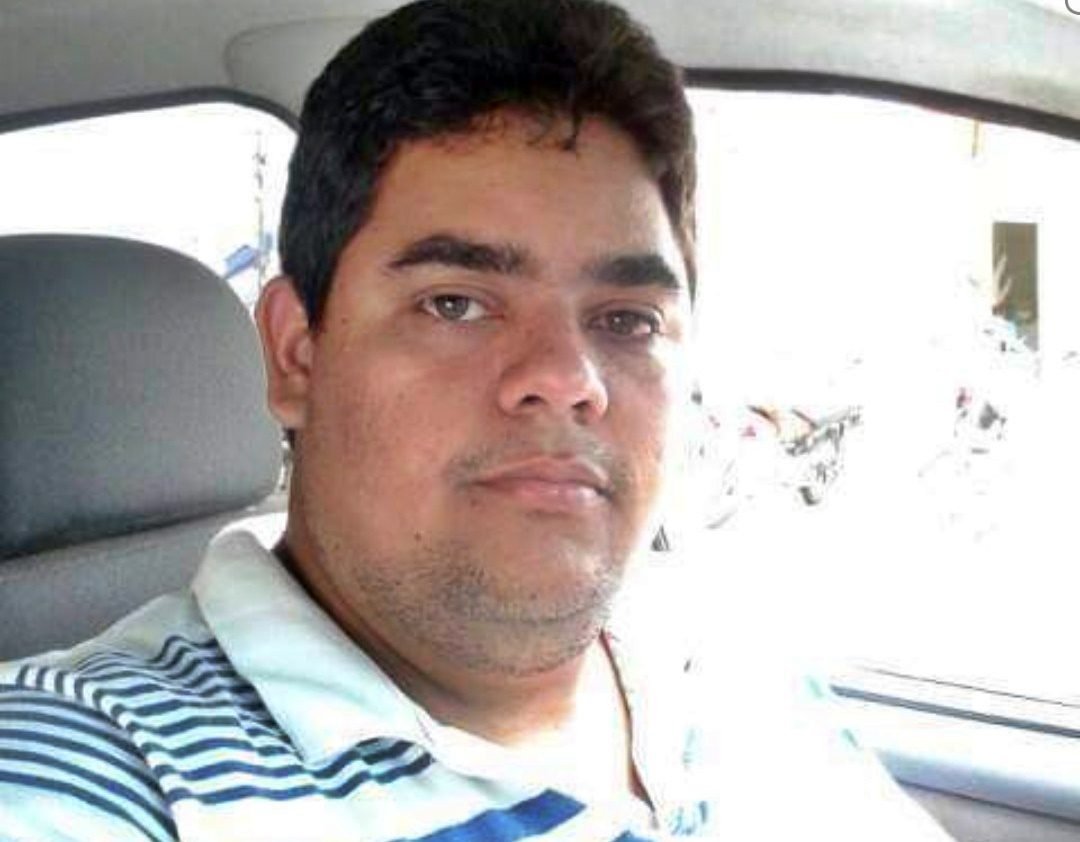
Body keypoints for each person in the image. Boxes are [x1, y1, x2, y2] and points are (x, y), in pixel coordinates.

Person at [0, 1, 954, 839]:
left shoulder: (728, 663)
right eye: (455, 303)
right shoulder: (90, 776)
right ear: (297, 355)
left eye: (627, 320)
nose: (568, 379)